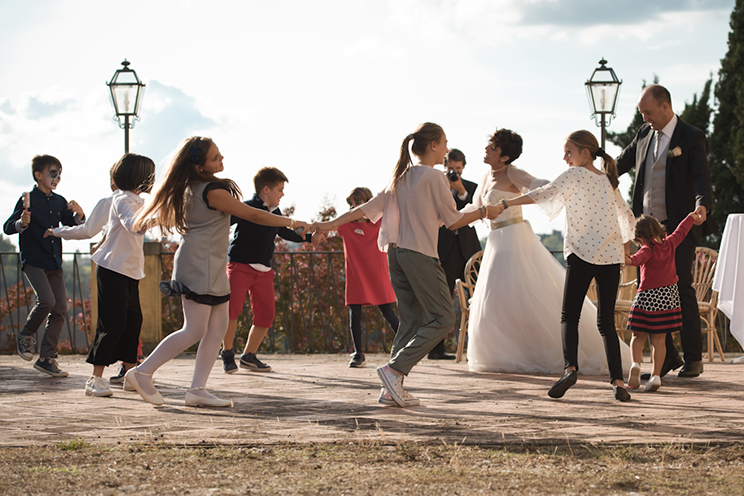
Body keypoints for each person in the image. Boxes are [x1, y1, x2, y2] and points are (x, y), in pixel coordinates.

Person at [314, 122, 499, 408]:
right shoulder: (434, 178)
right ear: (433, 146)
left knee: (411, 321)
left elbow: (364, 210)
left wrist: (326, 225)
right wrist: (485, 211)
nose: (448, 149)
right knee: (443, 318)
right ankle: (394, 370)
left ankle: (391, 390)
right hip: (420, 255)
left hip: (396, 255)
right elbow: (453, 221)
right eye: (445, 143)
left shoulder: (399, 177)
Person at [125, 137, 309, 407]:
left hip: (210, 263)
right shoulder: (212, 191)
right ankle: (142, 373)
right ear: (199, 166)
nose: (221, 160)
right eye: (215, 158)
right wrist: (292, 221)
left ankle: (197, 390)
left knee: (218, 327)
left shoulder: (193, 187)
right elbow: (253, 215)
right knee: (194, 330)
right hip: (199, 263)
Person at [465, 129, 632, 376]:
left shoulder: (573, 174)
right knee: (606, 323)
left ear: (584, 153)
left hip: (579, 253)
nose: (565, 157)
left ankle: (570, 369)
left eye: (568, 152)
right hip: (610, 257)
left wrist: (507, 203)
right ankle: (618, 382)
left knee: (569, 317)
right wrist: (625, 249)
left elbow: (546, 192)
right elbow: (626, 216)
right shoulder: (609, 180)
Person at [616, 84, 716, 379]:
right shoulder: (644, 134)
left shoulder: (691, 135)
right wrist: (594, 169)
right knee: (649, 289)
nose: (645, 118)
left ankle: (693, 358)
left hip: (679, 227)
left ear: (665, 106)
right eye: (641, 113)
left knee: (680, 284)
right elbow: (620, 164)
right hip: (647, 229)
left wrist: (702, 206)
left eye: (648, 112)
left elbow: (701, 175)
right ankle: (668, 357)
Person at [47, 153, 155, 397]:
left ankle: (131, 375)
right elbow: (126, 226)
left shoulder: (140, 201)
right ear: (139, 176)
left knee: (132, 322)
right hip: (112, 268)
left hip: (130, 271)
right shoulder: (119, 200)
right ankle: (94, 379)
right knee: (113, 322)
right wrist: (56, 232)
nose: (153, 178)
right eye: (149, 173)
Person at [220, 167, 319, 374]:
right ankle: (227, 353)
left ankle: (249, 356)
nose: (282, 194)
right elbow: (224, 223)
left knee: (266, 315)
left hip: (264, 270)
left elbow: (285, 233)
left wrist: (309, 239)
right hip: (239, 266)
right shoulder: (246, 208)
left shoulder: (276, 213)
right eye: (280, 190)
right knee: (231, 311)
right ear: (266, 189)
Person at [3, 155, 85, 377]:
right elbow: (8, 227)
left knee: (60, 308)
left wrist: (79, 213)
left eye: (59, 174)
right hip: (34, 260)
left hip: (54, 261)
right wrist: (22, 223)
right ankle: (26, 335)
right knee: (47, 301)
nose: (57, 178)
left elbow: (74, 224)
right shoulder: (27, 199)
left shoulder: (59, 201)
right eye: (52, 174)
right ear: (38, 175)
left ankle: (47, 358)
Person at [624, 211, 700, 392]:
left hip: (646, 296)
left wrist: (627, 255)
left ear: (641, 237)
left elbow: (634, 260)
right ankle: (656, 376)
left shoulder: (646, 249)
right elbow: (682, 230)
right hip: (668, 297)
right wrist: (691, 216)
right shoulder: (671, 243)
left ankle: (636, 364)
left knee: (638, 335)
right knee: (659, 340)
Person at [336, 187, 399, 368]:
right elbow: (327, 228)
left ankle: (407, 346)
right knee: (355, 313)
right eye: (351, 204)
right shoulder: (345, 226)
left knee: (388, 312)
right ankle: (358, 353)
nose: (354, 207)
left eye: (358, 203)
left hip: (378, 275)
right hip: (356, 276)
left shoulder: (380, 224)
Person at [432, 149, 481, 360]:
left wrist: (461, 191)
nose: (454, 172)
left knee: (477, 298)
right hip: (444, 250)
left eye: (458, 169)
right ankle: (437, 349)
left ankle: (478, 348)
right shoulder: (435, 186)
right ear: (444, 167)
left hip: (469, 249)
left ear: (463, 168)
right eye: (451, 169)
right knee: (442, 299)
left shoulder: (471, 187)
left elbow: (474, 212)